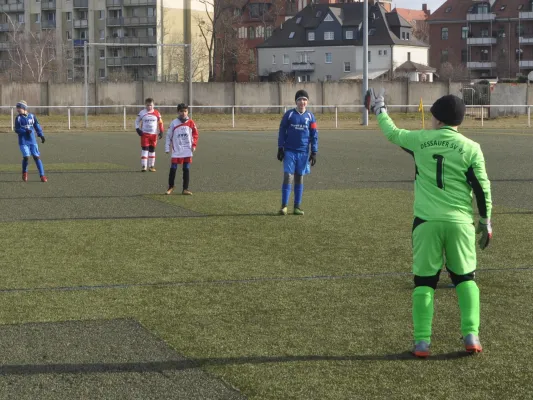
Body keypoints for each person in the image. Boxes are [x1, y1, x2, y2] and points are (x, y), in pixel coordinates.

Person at [366, 89, 492, 357]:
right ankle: (471, 335)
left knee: (424, 283)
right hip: (459, 223)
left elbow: (392, 133)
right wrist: (486, 220)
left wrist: (380, 109)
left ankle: (422, 342)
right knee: (465, 279)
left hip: (426, 223)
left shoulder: (420, 140)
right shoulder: (471, 148)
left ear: (436, 119)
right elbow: (482, 188)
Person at [277, 89, 318, 216]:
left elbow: (314, 135)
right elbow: (282, 131)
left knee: (299, 178)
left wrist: (314, 151)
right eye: (300, 99)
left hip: (303, 153)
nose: (302, 102)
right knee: (288, 177)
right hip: (290, 151)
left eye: (304, 99)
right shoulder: (289, 115)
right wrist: (280, 147)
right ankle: (284, 206)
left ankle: (297, 206)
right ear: (296, 101)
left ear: (307, 102)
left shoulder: (311, 117)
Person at [164, 103, 198, 195]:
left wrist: (194, 145)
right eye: (181, 111)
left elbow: (195, 134)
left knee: (186, 168)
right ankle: (171, 187)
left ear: (188, 112)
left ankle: (185, 189)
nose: (183, 113)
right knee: (173, 168)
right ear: (178, 112)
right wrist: (167, 147)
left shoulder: (191, 122)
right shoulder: (174, 123)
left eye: (185, 111)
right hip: (177, 150)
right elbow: (168, 136)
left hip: (187, 150)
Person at [14, 100, 47, 182]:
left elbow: (37, 125)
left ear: (24, 108)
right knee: (26, 157)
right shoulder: (18, 118)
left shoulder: (32, 116)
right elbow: (17, 129)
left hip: (32, 141)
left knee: (36, 157)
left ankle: (42, 175)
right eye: (17, 108)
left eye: (19, 108)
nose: (17, 109)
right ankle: (24, 172)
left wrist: (41, 135)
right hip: (23, 141)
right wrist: (25, 131)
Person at [135, 97, 164, 172]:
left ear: (153, 105)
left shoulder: (157, 113)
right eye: (147, 105)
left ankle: (151, 166)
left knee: (152, 150)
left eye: (150, 105)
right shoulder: (142, 112)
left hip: (154, 135)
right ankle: (144, 166)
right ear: (145, 105)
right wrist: (137, 129)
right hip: (145, 134)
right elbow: (137, 121)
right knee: (145, 149)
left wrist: (161, 131)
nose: (149, 107)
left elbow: (160, 122)